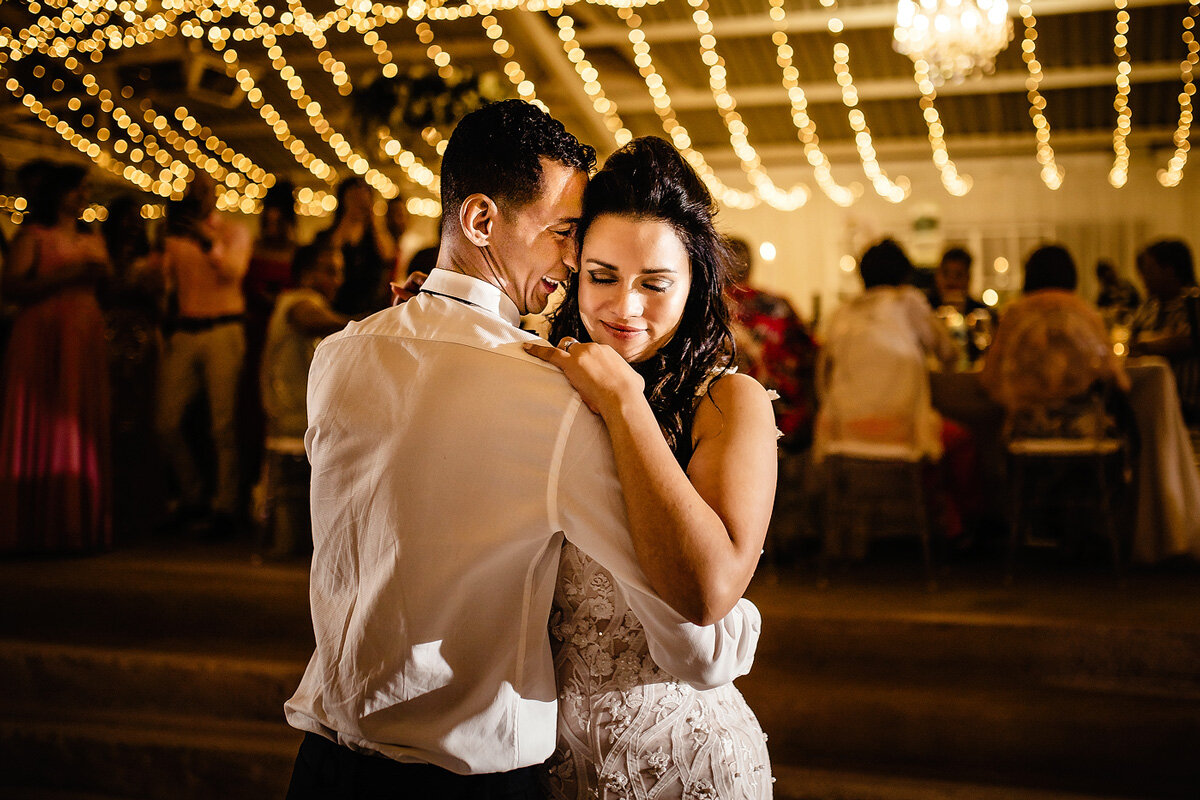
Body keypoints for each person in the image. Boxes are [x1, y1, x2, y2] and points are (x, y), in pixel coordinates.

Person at [284, 100, 761, 799]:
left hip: (324, 767)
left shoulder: (340, 354)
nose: (571, 260)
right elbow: (695, 631)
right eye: (565, 234)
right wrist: (742, 628)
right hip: (462, 779)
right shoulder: (552, 399)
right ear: (480, 221)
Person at [525, 136, 776, 799]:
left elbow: (704, 594)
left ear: (695, 286)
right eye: (602, 276)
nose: (624, 308)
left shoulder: (728, 403)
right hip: (534, 760)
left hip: (680, 759)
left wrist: (624, 402)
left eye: (656, 284)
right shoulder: (534, 381)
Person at [814, 239, 975, 539]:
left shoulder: (842, 313)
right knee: (960, 442)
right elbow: (949, 353)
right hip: (901, 433)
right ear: (904, 275)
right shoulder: (908, 302)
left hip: (843, 434)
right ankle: (954, 532)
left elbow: (823, 376)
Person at [0, 162, 113, 553]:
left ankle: (75, 524)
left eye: (86, 188)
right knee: (45, 421)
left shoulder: (92, 233)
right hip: (42, 336)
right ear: (57, 193)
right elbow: (11, 286)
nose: (83, 196)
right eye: (76, 189)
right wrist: (67, 276)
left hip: (83, 338)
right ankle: (36, 525)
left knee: (78, 423)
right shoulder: (33, 235)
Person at [156, 173, 253, 537]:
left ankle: (227, 506)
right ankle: (192, 495)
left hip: (224, 329)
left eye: (206, 190)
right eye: (194, 190)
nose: (199, 195)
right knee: (165, 420)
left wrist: (206, 240)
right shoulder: (174, 234)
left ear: (215, 195)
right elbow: (164, 283)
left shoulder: (233, 232)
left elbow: (232, 270)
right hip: (185, 330)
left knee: (223, 425)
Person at [257, 237, 348, 559]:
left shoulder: (305, 301)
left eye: (339, 272)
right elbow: (308, 319)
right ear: (308, 274)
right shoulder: (298, 300)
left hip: (297, 416)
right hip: (292, 417)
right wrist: (362, 324)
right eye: (330, 272)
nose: (338, 280)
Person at [982, 245, 1130, 438]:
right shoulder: (1085, 313)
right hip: (1085, 431)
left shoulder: (1015, 315)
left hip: (1027, 430)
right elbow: (1115, 377)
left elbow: (990, 379)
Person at [102, 194, 167, 539]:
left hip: (142, 339)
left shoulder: (152, 259)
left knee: (142, 418)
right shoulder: (100, 253)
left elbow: (163, 302)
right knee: (110, 417)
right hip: (108, 338)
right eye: (125, 219)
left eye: (135, 219)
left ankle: (140, 510)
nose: (130, 226)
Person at [726, 236, 818, 452]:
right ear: (750, 266)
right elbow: (809, 353)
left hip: (726, 418)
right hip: (781, 418)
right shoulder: (777, 305)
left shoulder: (706, 306)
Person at [240, 180, 299, 518]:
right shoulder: (256, 248)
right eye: (269, 219)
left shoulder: (295, 251)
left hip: (281, 334)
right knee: (250, 408)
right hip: (255, 332)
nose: (273, 225)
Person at [1130, 240, 1199, 421]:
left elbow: (1186, 340)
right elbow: (1130, 342)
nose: (1144, 278)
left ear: (1169, 271)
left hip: (1188, 409)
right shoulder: (1148, 306)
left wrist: (1145, 344)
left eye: (1149, 271)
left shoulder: (1193, 303)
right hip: (1150, 405)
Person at [325, 176, 395, 316]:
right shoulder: (334, 233)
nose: (359, 202)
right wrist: (348, 216)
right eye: (353, 198)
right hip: (340, 305)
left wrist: (372, 218)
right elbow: (329, 251)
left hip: (373, 304)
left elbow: (388, 255)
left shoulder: (375, 234)